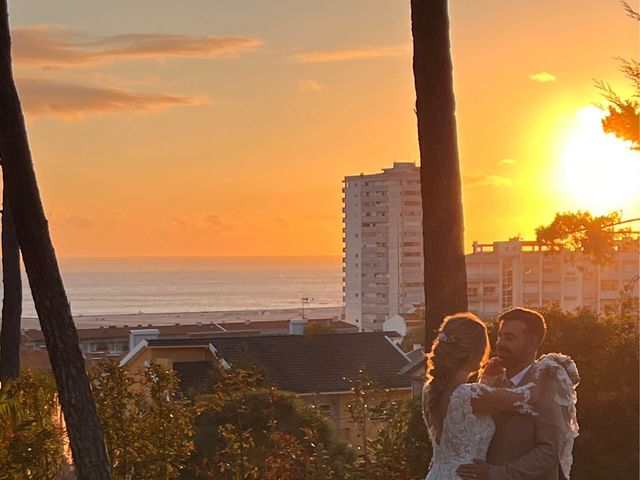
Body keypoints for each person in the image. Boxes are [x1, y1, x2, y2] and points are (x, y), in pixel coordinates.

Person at [422, 310, 579, 480]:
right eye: (499, 337)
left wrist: (500, 473)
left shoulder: (550, 383)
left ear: (532, 342)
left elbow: (552, 451)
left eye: (509, 338)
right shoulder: (477, 389)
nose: (500, 344)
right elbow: (526, 396)